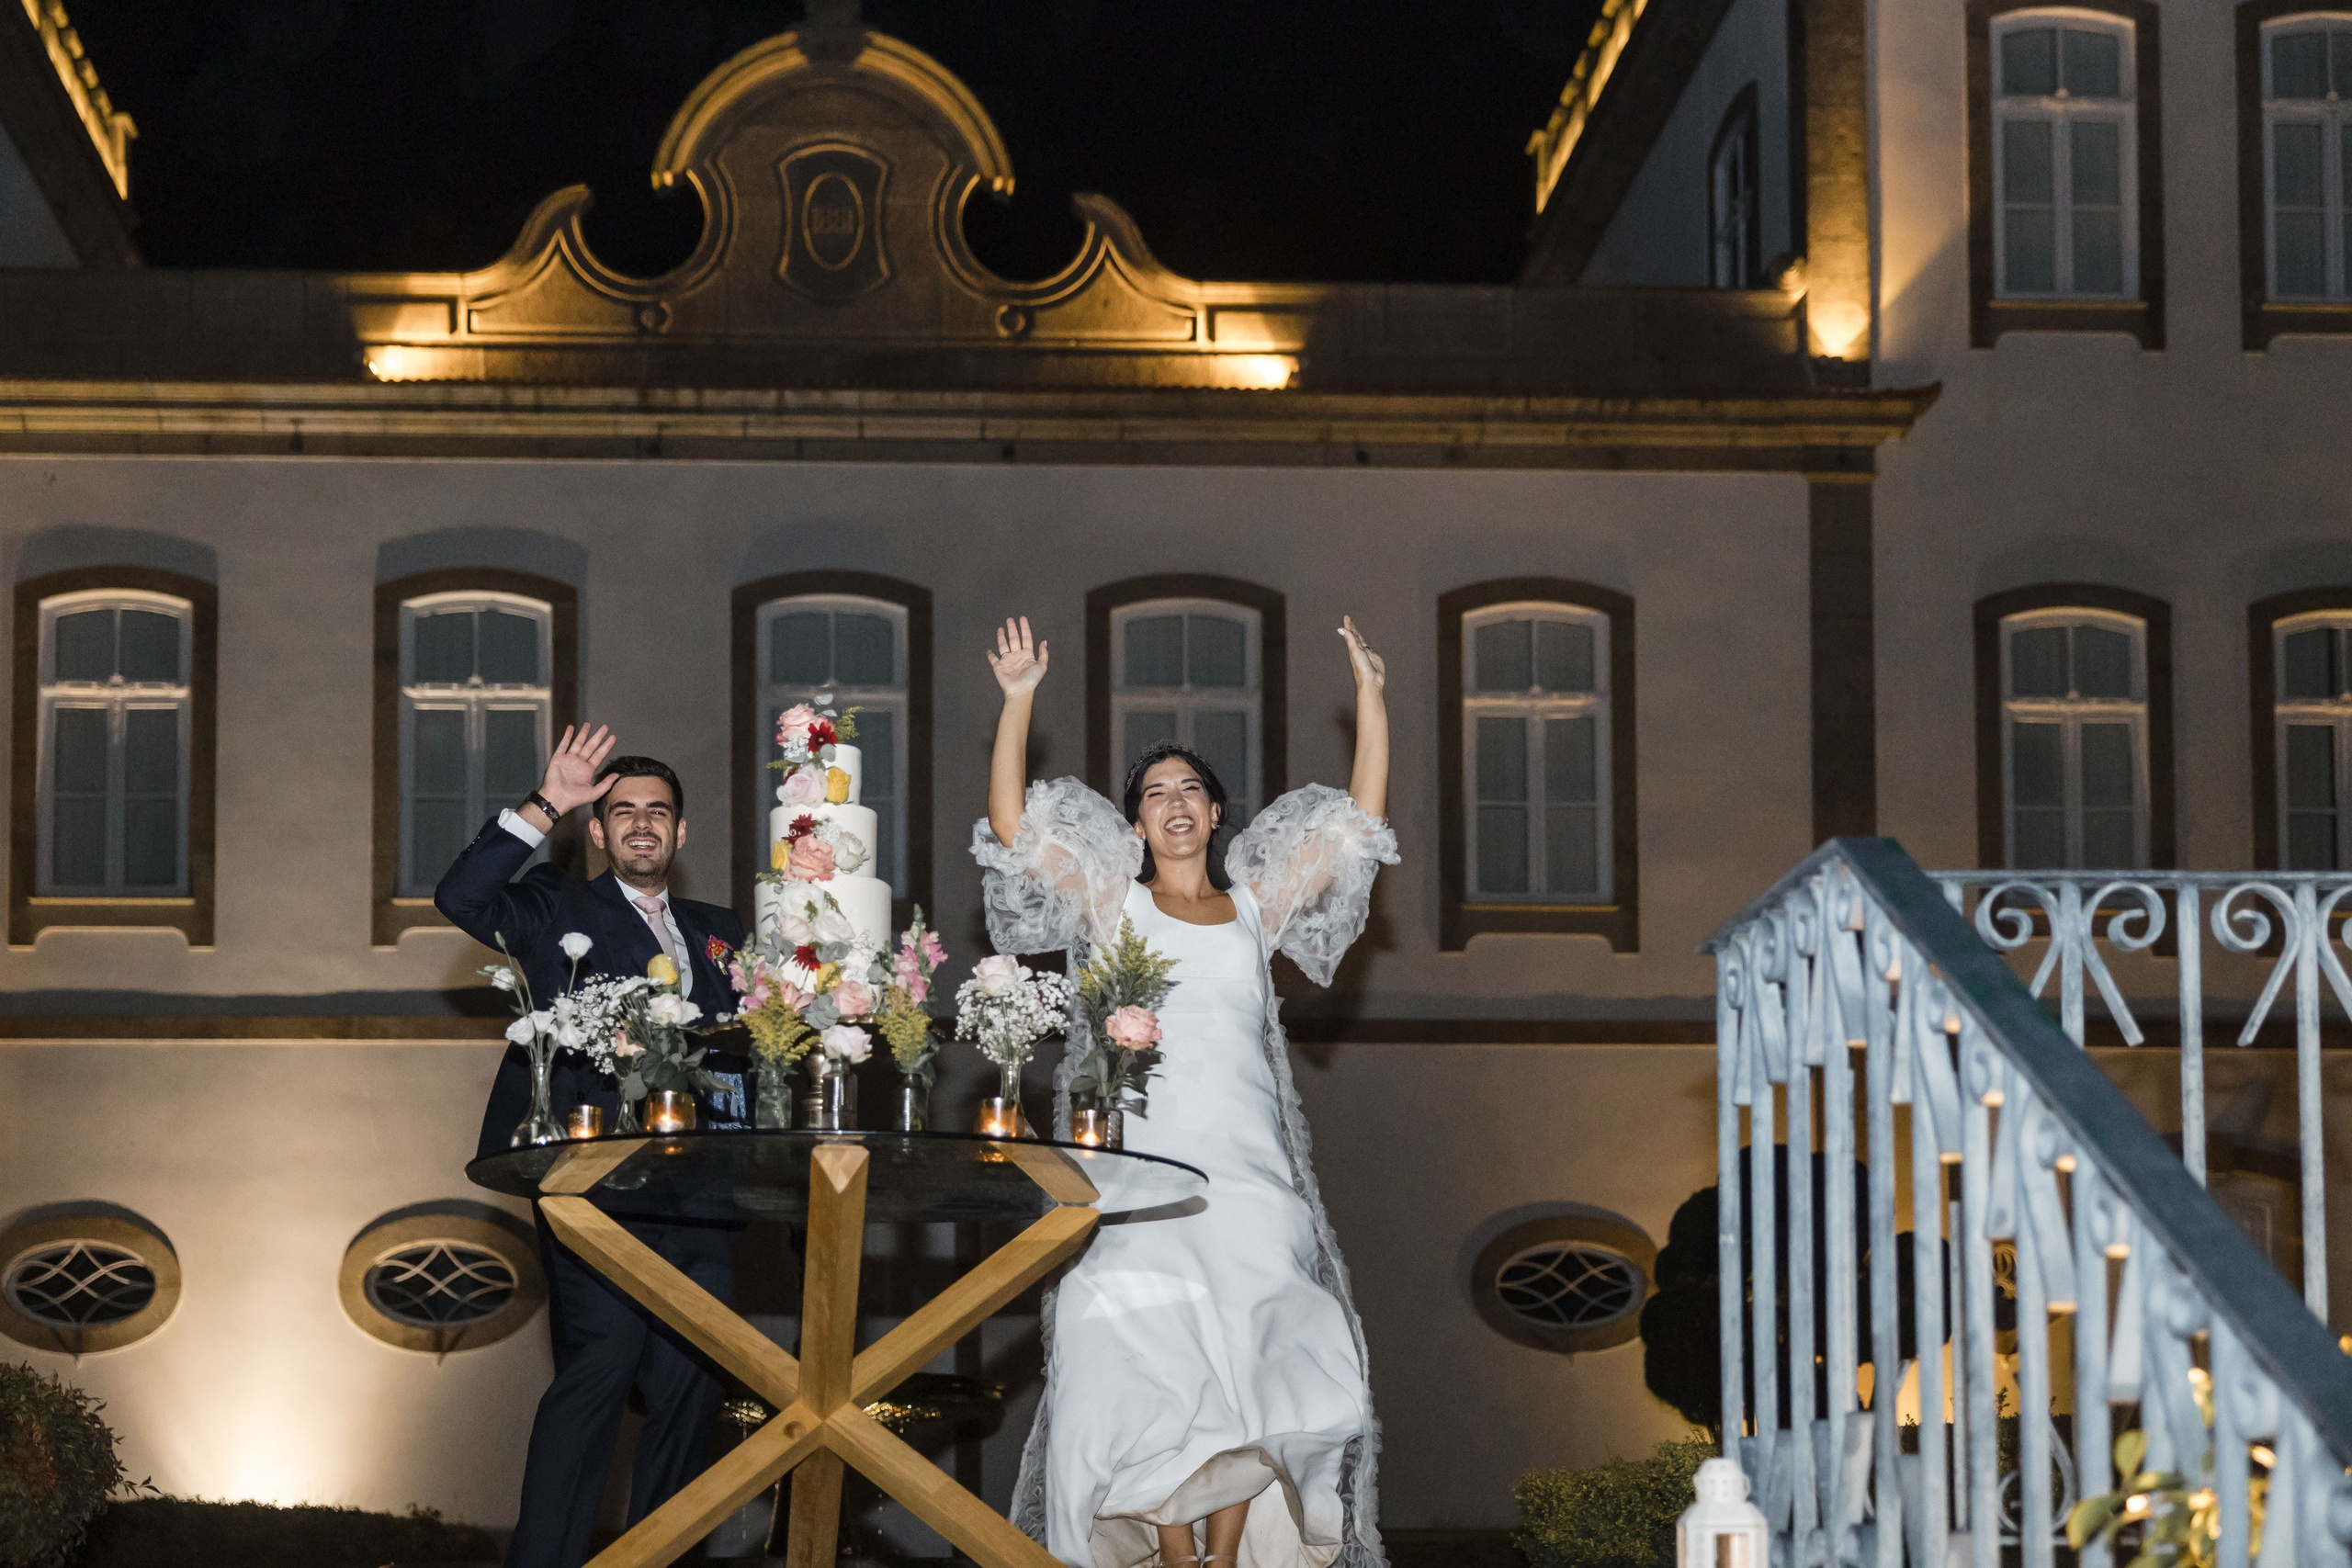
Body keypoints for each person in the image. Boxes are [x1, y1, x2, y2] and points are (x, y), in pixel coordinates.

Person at [973, 615, 1396, 1568]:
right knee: (1123, 1344)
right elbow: (1010, 827)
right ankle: (1171, 1550)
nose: (1173, 802)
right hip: (1138, 1171)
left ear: (1214, 817)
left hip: (1246, 1173)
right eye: (1155, 792)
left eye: (1191, 791)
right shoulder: (1111, 901)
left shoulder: (1254, 907)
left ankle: (1225, 1550)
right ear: (1133, 825)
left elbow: (1358, 828)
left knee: (1252, 1356)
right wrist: (1017, 701)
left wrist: (1371, 700)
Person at [435, 725, 747, 1568]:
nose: (642, 823)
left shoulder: (726, 932)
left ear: (681, 834)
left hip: (705, 1197)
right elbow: (462, 897)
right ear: (599, 832)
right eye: (622, 812)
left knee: (693, 1387)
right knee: (601, 1364)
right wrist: (547, 802)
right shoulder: (554, 904)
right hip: (593, 1182)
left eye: (659, 811)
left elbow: (762, 1046)